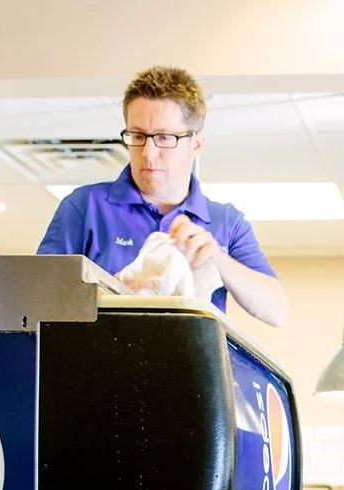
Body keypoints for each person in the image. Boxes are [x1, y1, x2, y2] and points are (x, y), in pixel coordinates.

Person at [37, 65, 289, 326]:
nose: (148, 153)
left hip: (191, 364)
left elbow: (277, 312)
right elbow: (37, 301)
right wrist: (110, 295)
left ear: (197, 143)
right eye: (138, 136)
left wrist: (218, 259)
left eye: (165, 138)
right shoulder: (85, 208)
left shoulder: (227, 222)